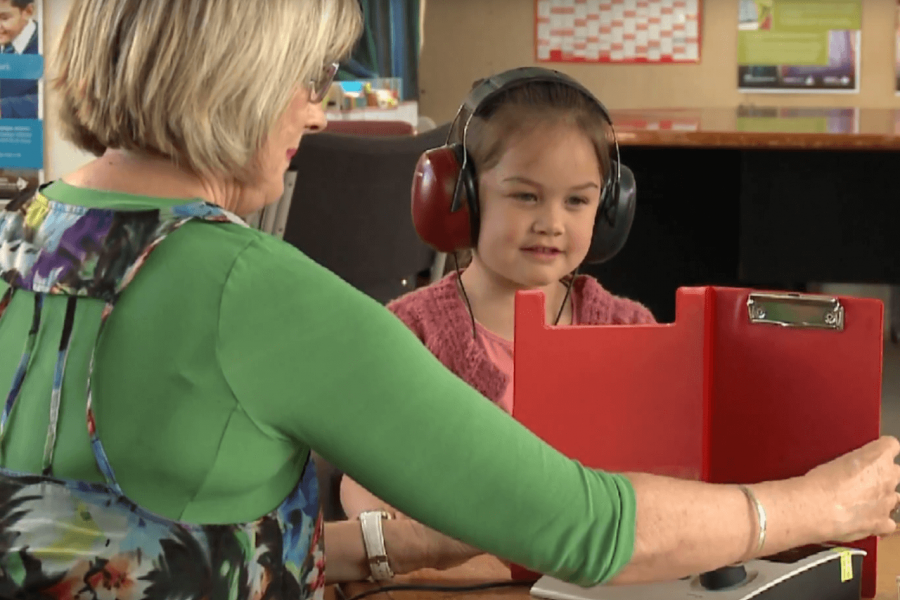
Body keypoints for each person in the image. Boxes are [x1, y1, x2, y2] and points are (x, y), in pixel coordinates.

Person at [0, 2, 897, 599]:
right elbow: (585, 526)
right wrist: (815, 507)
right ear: (236, 78)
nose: (315, 113)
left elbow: (165, 530)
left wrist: (397, 548)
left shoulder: (23, 232)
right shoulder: (255, 289)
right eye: (306, 81)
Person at [341, 71, 654, 523]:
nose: (551, 222)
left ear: (608, 210)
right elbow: (361, 479)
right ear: (458, 197)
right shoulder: (412, 334)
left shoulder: (629, 331)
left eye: (577, 202)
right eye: (526, 196)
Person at [0, 0, 38, 119]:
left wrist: (4, 109)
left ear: (27, 11)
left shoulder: (50, 45)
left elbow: (55, 100)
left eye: (4, 18)